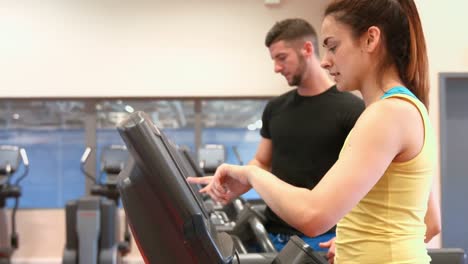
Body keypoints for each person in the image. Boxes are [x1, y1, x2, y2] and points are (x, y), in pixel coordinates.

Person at [188, 0, 442, 263]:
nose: (326, 61)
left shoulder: (387, 114)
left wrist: (251, 174)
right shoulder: (401, 108)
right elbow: (427, 220)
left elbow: (312, 215)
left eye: (333, 47)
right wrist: (352, 239)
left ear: (370, 39)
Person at [250, 18, 365, 251]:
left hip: (324, 239)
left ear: (307, 49)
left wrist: (353, 234)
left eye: (282, 58)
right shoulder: (275, 108)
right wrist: (237, 180)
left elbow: (365, 185)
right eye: (274, 60)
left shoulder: (351, 109)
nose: (276, 68)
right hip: (273, 236)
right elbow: (262, 161)